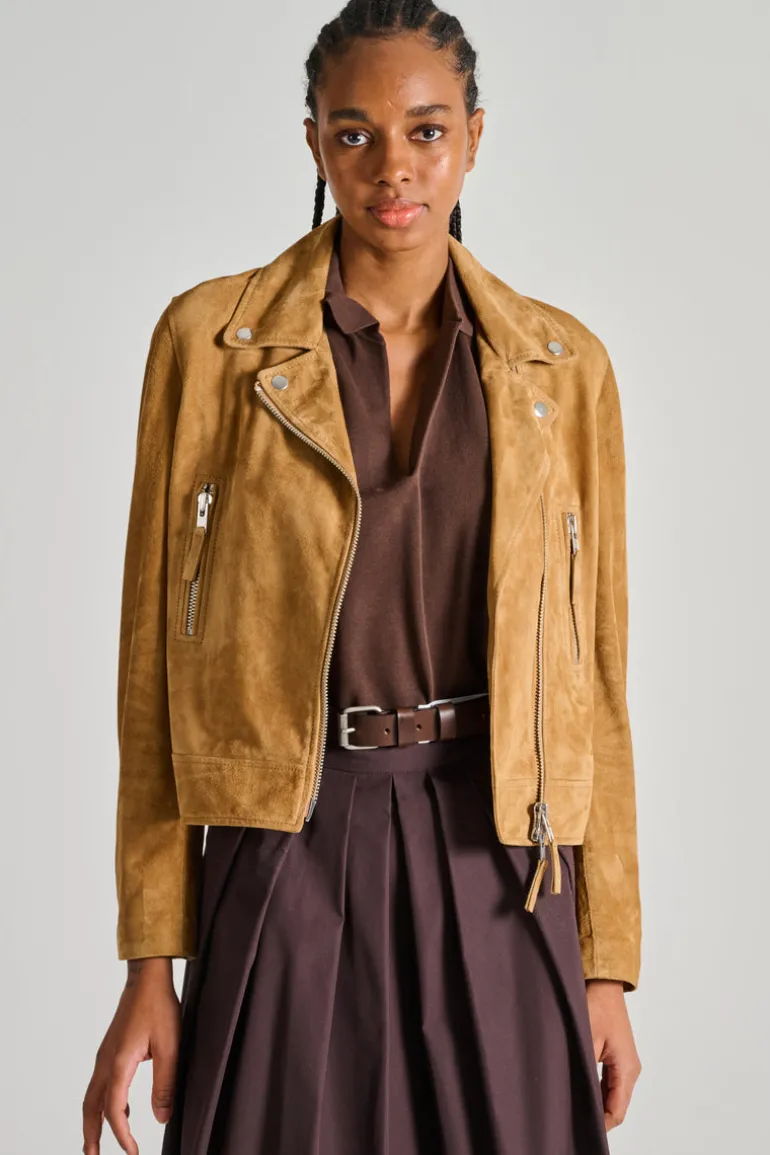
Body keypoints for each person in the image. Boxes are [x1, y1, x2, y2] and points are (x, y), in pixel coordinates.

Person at [82, 2, 643, 1152]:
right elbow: (150, 675)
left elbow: (592, 681)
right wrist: (150, 963)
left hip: (504, 856)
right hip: (284, 843)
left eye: (426, 131)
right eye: (354, 133)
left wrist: (605, 964)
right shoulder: (209, 347)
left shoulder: (561, 369)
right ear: (312, 143)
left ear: (474, 137)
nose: (393, 167)